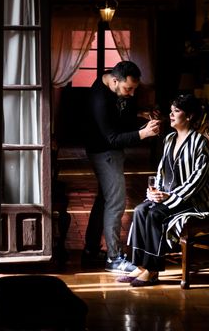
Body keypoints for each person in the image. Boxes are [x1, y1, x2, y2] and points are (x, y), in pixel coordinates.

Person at [117, 94, 209, 286]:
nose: (170, 115)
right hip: (168, 196)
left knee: (154, 215)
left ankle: (153, 270)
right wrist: (155, 192)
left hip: (191, 201)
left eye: (176, 111)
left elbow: (199, 178)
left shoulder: (199, 142)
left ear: (190, 116)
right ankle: (141, 266)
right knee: (140, 210)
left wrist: (171, 196)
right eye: (171, 111)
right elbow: (162, 171)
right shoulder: (169, 139)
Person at [82, 60, 161, 273]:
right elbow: (112, 137)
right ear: (115, 81)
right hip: (104, 153)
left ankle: (90, 251)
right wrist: (143, 134)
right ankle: (114, 258)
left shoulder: (114, 86)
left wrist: (140, 116)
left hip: (107, 152)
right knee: (116, 202)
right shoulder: (99, 98)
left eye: (135, 89)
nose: (132, 94)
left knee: (104, 200)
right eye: (129, 89)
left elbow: (119, 119)